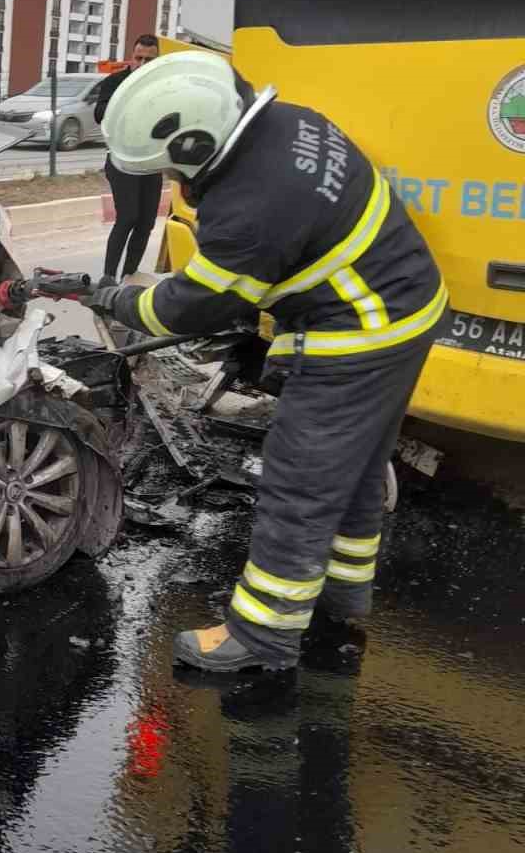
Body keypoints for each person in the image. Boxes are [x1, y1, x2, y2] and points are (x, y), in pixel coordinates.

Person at [85, 50, 446, 683]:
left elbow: (188, 306)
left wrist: (115, 298)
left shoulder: (250, 205)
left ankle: (263, 635)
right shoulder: (289, 124)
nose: (170, 179)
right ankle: (342, 597)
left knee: (300, 478)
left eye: (170, 166)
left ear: (195, 141)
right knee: (356, 465)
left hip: (359, 336)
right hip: (407, 308)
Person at [94, 34, 161, 277]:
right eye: (138, 58)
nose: (142, 64)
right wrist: (126, 96)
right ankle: (108, 278)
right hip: (122, 161)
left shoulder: (161, 85)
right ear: (131, 57)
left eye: (149, 59)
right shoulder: (116, 81)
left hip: (151, 162)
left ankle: (129, 277)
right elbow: (99, 113)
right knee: (128, 217)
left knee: (147, 223)